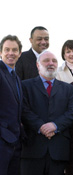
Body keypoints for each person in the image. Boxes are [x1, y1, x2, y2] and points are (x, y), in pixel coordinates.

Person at [20, 51, 73, 175]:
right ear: (37, 65)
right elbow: (24, 110)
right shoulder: (25, 86)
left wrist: (55, 126)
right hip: (32, 149)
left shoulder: (69, 89)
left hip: (58, 150)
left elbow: (72, 112)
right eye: (46, 60)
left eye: (54, 61)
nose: (51, 63)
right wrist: (41, 126)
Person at [0, 35, 23, 175]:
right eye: (7, 49)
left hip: (14, 143)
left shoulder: (16, 77)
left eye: (14, 50)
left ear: (19, 53)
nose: (11, 53)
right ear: (0, 52)